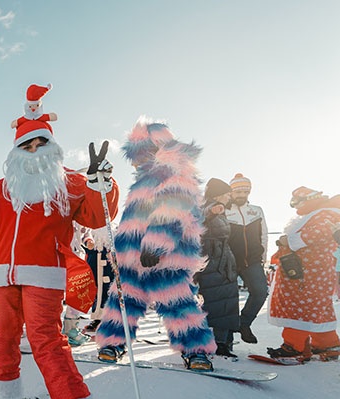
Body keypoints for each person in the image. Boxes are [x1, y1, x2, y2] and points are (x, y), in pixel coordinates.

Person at [0, 85, 120, 399]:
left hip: (44, 274)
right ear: (16, 152)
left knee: (46, 342)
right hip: (3, 275)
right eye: (25, 146)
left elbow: (99, 217)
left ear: (50, 146)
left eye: (39, 144)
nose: (33, 152)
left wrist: (104, 185)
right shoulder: (4, 187)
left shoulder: (68, 182)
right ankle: (4, 396)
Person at [95, 118, 217, 371]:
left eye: (140, 155)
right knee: (124, 298)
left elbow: (174, 207)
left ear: (155, 148)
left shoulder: (174, 170)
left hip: (165, 253)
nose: (137, 162)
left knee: (175, 299)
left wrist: (157, 243)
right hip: (133, 253)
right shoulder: (144, 179)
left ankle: (196, 350)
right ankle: (113, 342)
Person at [267, 187, 340, 360]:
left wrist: (290, 241)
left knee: (300, 306)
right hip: (311, 269)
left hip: (310, 270)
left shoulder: (326, 214)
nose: (295, 207)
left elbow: (319, 233)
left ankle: (294, 346)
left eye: (297, 202)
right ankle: (327, 344)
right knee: (317, 306)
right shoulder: (320, 213)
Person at [195, 178, 240, 357]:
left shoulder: (221, 210)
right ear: (219, 194)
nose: (230, 198)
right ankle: (217, 343)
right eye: (228, 194)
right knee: (218, 302)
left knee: (225, 301)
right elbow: (203, 215)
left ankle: (224, 340)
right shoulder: (211, 207)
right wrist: (212, 210)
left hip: (222, 260)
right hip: (213, 261)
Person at [225, 173, 268, 344]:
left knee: (260, 292)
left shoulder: (256, 211)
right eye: (238, 192)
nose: (242, 196)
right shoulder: (225, 210)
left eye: (245, 192)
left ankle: (244, 323)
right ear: (231, 192)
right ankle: (225, 337)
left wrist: (262, 258)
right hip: (230, 261)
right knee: (229, 297)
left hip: (253, 260)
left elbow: (263, 234)